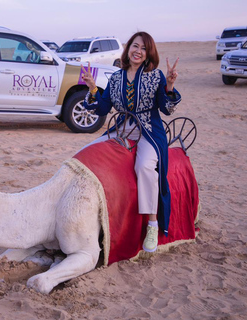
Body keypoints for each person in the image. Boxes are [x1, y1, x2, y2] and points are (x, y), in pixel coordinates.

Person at [80, 31, 180, 253]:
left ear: (148, 54)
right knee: (87, 151)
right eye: (135, 46)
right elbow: (103, 108)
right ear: (128, 49)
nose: (138, 51)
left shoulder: (156, 76)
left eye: (144, 48)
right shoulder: (116, 77)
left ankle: (152, 224)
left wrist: (170, 85)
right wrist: (93, 88)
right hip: (122, 128)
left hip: (149, 130)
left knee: (144, 166)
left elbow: (167, 109)